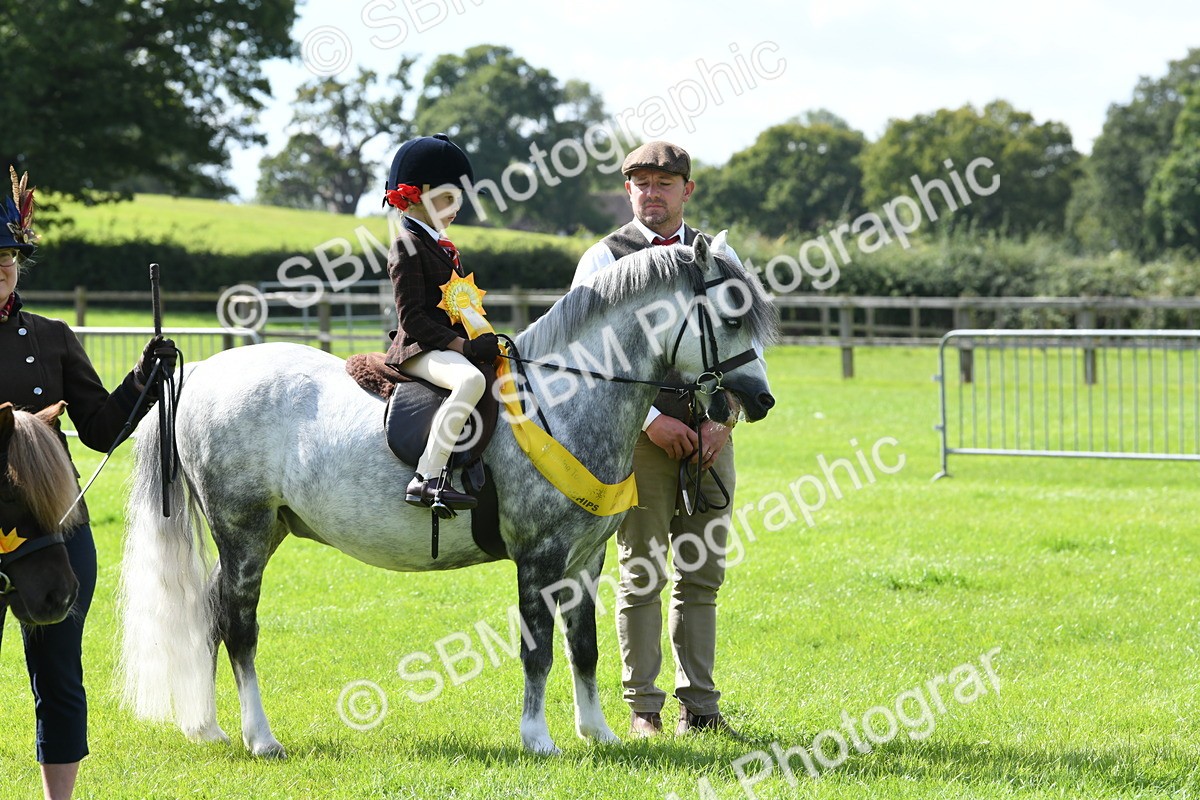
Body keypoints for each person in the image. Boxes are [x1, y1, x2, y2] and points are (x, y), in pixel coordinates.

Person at [0, 170, 177, 800]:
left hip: (54, 526)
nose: (1, 270)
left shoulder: (51, 337)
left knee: (59, 674)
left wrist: (141, 379)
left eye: (9, 258)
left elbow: (100, 430)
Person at [572, 141, 742, 738]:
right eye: (640, 182)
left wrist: (725, 418)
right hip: (636, 441)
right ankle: (644, 709)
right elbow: (587, 355)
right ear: (628, 191)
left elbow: (747, 345)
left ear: (687, 190)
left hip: (712, 438)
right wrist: (652, 422)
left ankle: (702, 708)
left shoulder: (716, 256)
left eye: (664, 182)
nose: (652, 192)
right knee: (642, 572)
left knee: (702, 575)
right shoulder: (603, 258)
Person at [381, 134, 500, 512]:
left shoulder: (443, 246)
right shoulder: (406, 245)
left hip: (446, 345)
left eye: (457, 201)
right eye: (448, 200)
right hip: (418, 348)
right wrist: (463, 348)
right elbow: (412, 317)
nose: (454, 210)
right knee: (471, 380)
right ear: (417, 196)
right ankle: (427, 477)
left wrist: (483, 338)